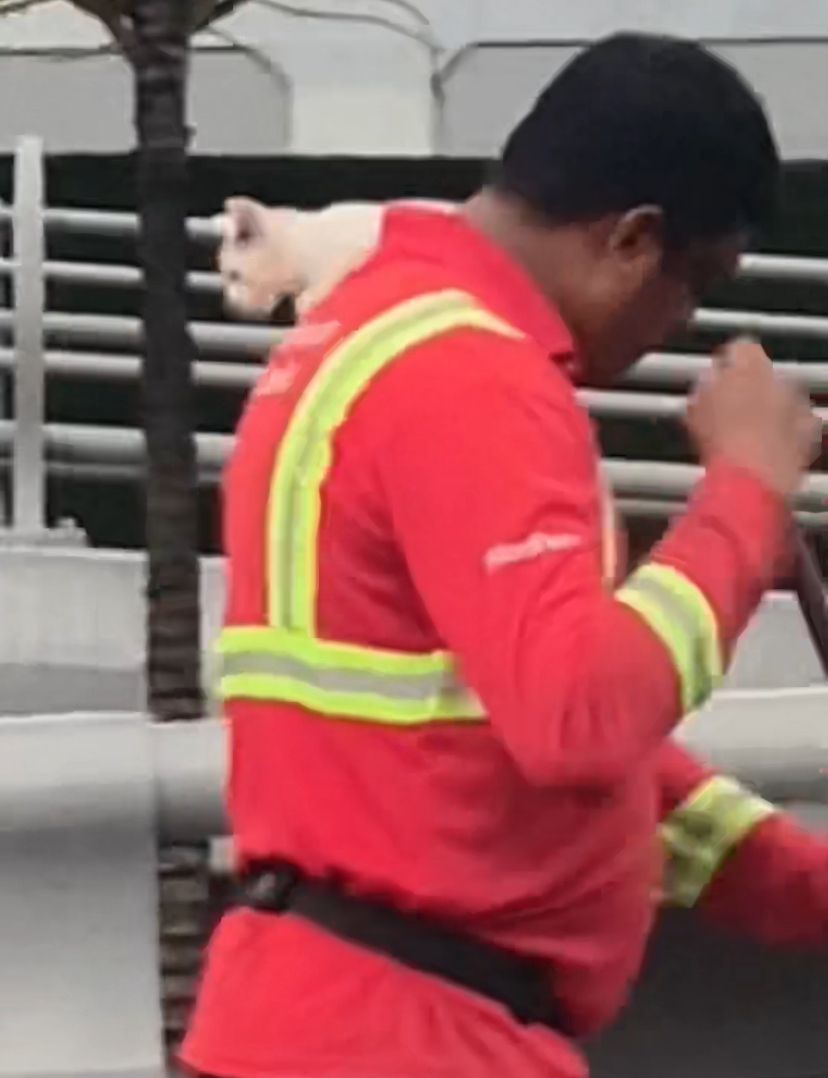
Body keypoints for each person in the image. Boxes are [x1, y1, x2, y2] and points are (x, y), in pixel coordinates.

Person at [182, 32, 828, 1078]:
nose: (678, 328)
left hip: (335, 1019)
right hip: (412, 1040)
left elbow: (539, 759)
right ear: (632, 238)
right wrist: (745, 494)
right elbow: (579, 719)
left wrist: (803, 885)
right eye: (693, 287)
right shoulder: (474, 375)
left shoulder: (376, 332)